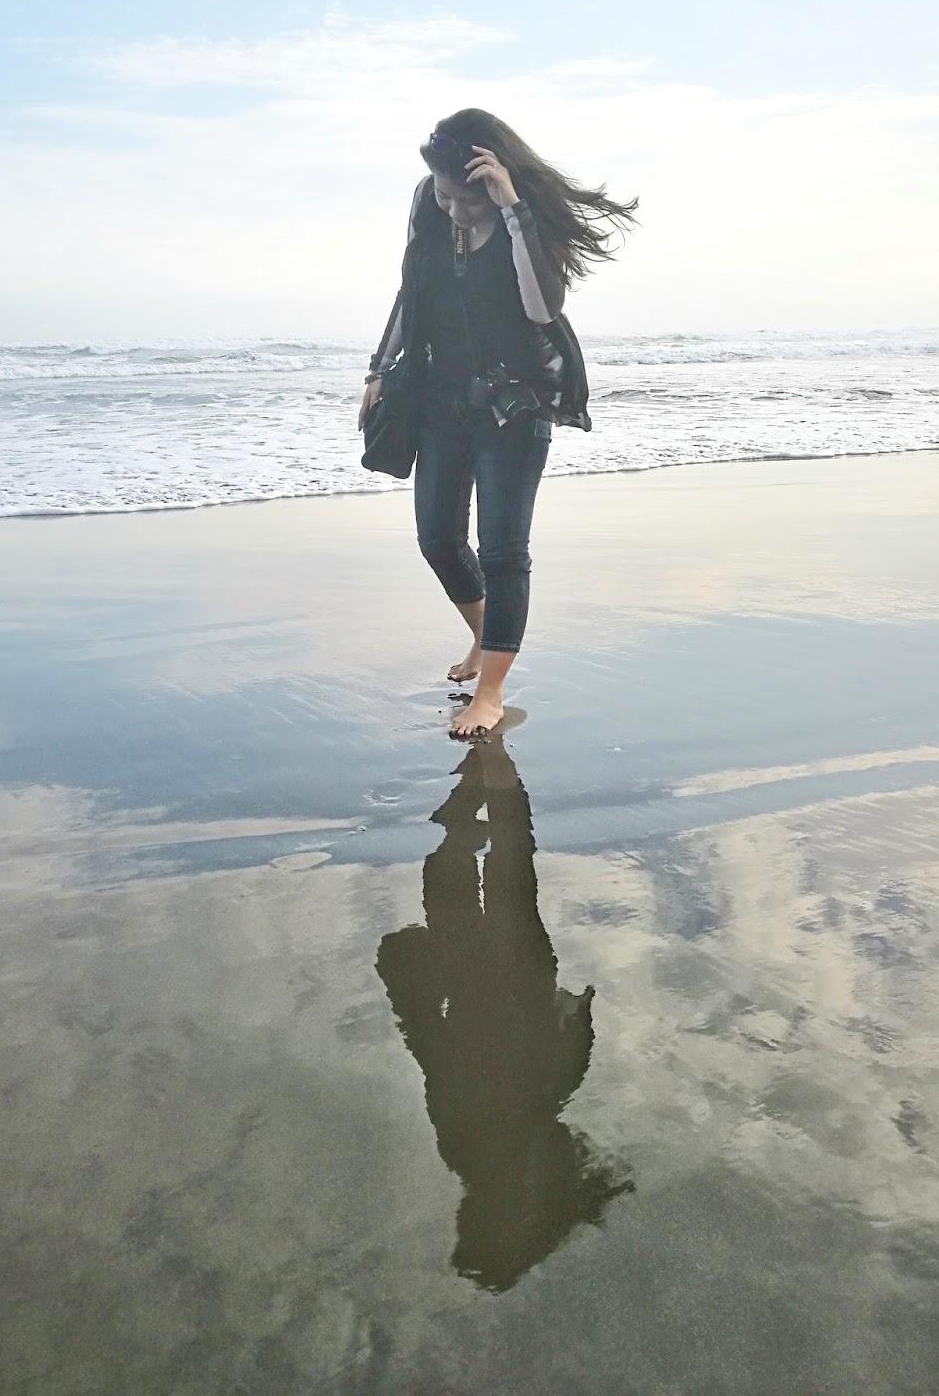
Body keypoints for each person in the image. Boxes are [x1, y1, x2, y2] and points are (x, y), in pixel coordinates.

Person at [358, 108, 638, 738]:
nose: (455, 211)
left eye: (469, 200)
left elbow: (540, 309)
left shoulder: (521, 216)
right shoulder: (429, 205)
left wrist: (512, 210)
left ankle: (490, 692)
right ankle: (486, 637)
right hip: (442, 397)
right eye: (445, 196)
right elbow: (411, 291)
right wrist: (379, 368)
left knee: (503, 551)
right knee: (438, 538)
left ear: (496, 183)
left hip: (516, 402)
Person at [375, 737, 634, 1291]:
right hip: (487, 980)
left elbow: (434, 1050)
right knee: (477, 865)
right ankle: (481, 769)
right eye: (472, 1225)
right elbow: (431, 1048)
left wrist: (575, 1015)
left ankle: (482, 770)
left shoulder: (507, 1146)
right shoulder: (479, 1147)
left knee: (504, 861)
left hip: (508, 979)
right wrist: (403, 984)